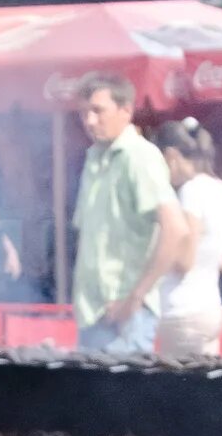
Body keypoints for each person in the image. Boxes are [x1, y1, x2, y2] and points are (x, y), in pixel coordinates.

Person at [68, 73, 191, 356]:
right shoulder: (93, 157)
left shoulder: (140, 156)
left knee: (121, 399)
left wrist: (136, 297)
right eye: (84, 113)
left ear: (125, 111)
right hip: (93, 313)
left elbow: (176, 229)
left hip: (125, 317)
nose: (89, 121)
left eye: (98, 111)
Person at [153, 119, 222, 362]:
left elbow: (184, 260)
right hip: (211, 308)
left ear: (171, 156)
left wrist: (156, 254)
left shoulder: (189, 192)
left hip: (182, 311)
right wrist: (207, 254)